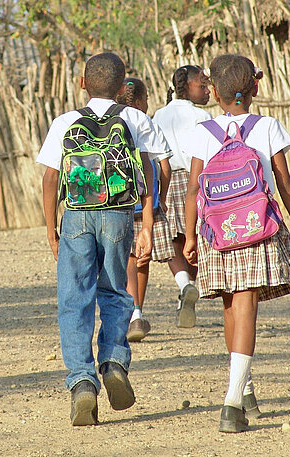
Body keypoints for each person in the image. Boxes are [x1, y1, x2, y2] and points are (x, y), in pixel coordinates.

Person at [182, 54, 290, 432]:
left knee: (231, 306)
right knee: (247, 307)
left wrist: (189, 235)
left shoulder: (204, 132)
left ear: (213, 93)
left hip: (216, 233)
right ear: (255, 87)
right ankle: (232, 402)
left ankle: (245, 388)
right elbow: (285, 183)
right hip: (258, 228)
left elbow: (192, 189)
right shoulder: (268, 126)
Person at [38, 52, 164, 426]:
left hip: (76, 216)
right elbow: (153, 170)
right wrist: (148, 225)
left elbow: (49, 179)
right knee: (115, 292)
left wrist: (51, 229)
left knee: (74, 298)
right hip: (119, 216)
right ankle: (113, 363)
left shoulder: (65, 121)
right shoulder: (136, 118)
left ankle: (81, 383)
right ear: (123, 85)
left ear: (82, 83)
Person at [153, 65, 211, 328]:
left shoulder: (159, 115)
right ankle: (186, 293)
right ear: (186, 87)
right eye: (202, 85)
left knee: (173, 242)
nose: (208, 90)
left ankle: (184, 285)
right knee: (194, 240)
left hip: (168, 179)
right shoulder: (203, 116)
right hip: (197, 180)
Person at [116, 77, 174, 342]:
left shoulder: (110, 119)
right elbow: (164, 167)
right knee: (142, 258)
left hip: (118, 199)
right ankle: (137, 312)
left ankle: (132, 314)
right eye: (148, 98)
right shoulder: (144, 121)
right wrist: (160, 196)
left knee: (128, 257)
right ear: (139, 101)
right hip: (145, 199)